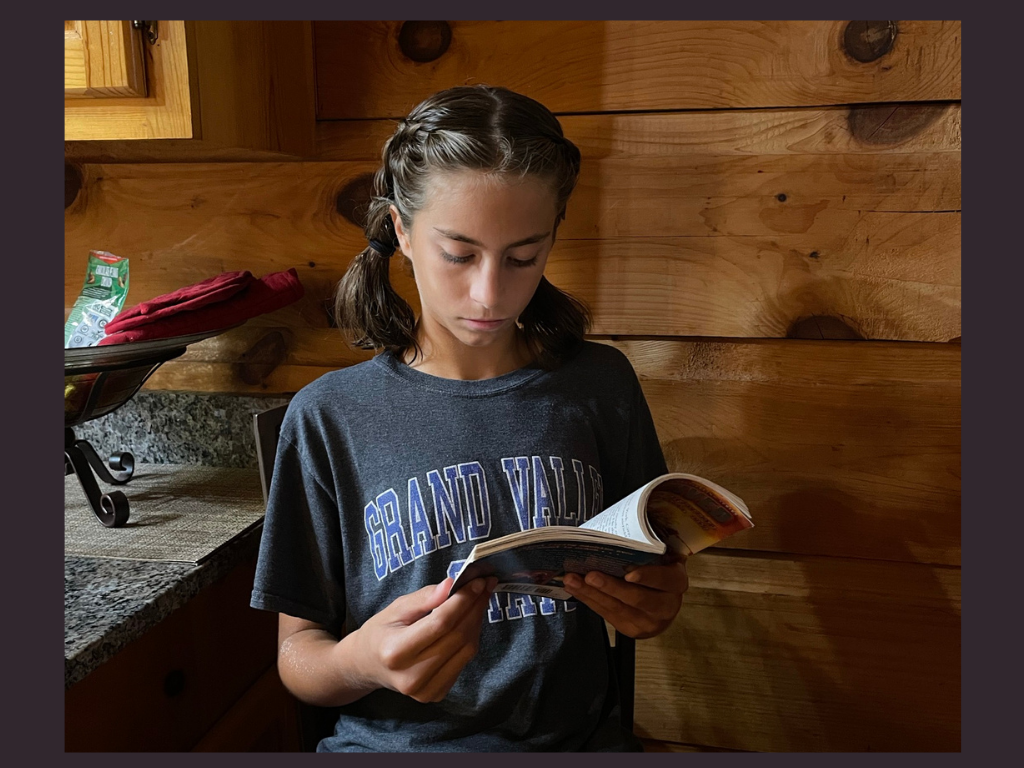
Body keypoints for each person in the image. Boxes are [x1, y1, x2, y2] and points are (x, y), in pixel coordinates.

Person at [250, 84, 689, 752]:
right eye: (458, 253)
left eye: (523, 257)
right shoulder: (329, 417)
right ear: (400, 229)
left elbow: (653, 571)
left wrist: (657, 603)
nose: (490, 293)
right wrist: (362, 660)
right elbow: (299, 657)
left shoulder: (600, 386)